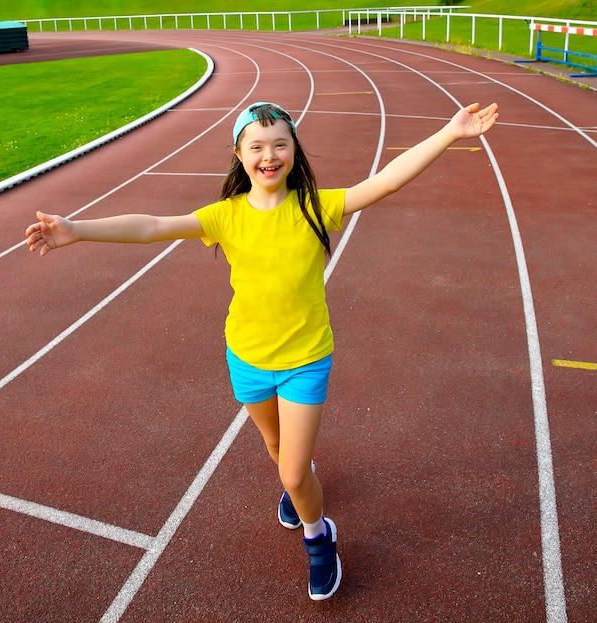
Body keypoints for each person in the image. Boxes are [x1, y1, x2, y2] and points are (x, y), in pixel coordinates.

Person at [26, 100, 498, 601]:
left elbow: (386, 181)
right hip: (246, 358)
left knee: (293, 472)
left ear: (294, 149)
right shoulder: (224, 217)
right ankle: (299, 487)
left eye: (279, 144)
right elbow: (151, 226)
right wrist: (77, 231)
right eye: (257, 146)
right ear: (238, 154)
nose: (269, 156)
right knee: (277, 453)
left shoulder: (316, 206)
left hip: (305, 360)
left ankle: (320, 538)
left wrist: (449, 132)